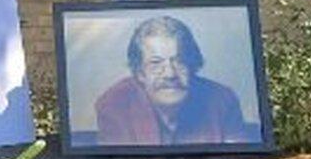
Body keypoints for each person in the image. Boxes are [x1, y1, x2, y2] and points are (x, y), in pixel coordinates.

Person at [95, 16, 249, 146]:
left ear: (192, 65)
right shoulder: (113, 104)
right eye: (156, 63)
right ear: (140, 73)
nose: (170, 74)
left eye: (179, 61)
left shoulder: (223, 100)